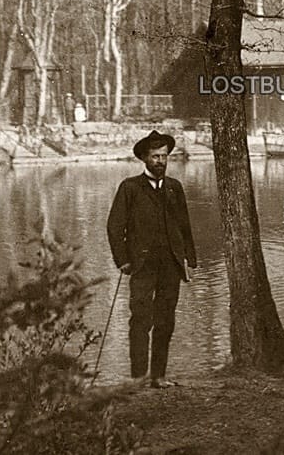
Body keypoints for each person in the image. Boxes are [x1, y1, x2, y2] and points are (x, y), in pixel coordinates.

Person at [107, 130, 197, 387]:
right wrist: (122, 260)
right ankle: (138, 379)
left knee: (165, 320)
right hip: (142, 265)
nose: (160, 161)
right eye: (155, 156)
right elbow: (115, 227)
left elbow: (184, 225)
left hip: (171, 264)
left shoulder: (174, 188)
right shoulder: (130, 188)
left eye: (164, 156)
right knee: (140, 319)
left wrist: (189, 258)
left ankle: (158, 376)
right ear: (144, 159)